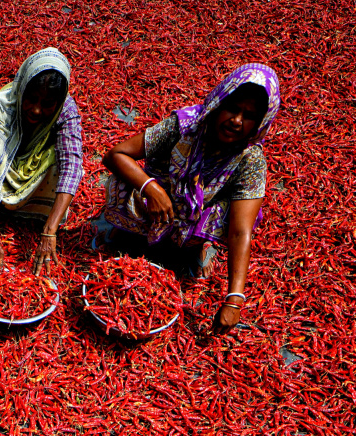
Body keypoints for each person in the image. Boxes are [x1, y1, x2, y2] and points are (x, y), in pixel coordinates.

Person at [99, 63, 281, 335]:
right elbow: (115, 155)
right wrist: (152, 189)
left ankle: (194, 249)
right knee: (122, 182)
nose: (237, 121)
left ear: (262, 121)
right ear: (219, 101)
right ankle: (129, 233)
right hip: (157, 206)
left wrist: (235, 298)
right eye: (233, 108)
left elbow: (241, 231)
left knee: (235, 214)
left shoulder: (250, 159)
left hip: (194, 220)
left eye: (250, 115)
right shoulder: (186, 125)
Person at [0, 47, 84, 275]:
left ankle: (38, 215)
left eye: (47, 104)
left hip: (36, 174)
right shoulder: (7, 101)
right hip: (8, 166)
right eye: (32, 99)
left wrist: (49, 232)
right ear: (23, 89)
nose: (36, 110)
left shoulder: (67, 111)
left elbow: (72, 167)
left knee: (65, 163)